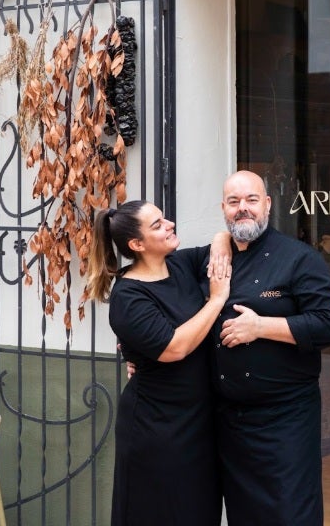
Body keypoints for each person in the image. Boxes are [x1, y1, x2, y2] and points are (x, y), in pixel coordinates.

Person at [209, 170, 330, 526]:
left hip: (287, 420)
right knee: (243, 514)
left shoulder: (300, 258)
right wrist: (141, 352)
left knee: (290, 513)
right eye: (234, 202)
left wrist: (260, 327)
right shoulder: (212, 261)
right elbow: (159, 285)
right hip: (230, 421)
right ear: (223, 208)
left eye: (252, 200)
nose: (243, 209)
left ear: (267, 204)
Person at [86, 200, 232, 526]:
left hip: (198, 422)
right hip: (157, 429)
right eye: (157, 225)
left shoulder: (180, 264)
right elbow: (175, 348)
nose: (169, 225)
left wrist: (222, 237)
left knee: (198, 511)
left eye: (164, 218)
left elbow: (225, 243)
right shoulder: (128, 297)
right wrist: (217, 299)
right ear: (137, 245)